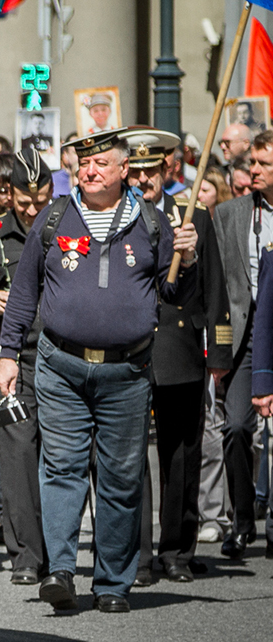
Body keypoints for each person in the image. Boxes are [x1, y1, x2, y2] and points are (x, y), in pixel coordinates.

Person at [0, 128, 199, 612]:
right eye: (82, 164)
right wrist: (8, 354)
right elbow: (24, 292)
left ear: (124, 170)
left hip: (127, 373)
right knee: (61, 467)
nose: (88, 172)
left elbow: (174, 296)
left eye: (101, 164)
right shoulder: (54, 217)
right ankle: (62, 570)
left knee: (121, 477)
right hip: (60, 366)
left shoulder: (152, 223)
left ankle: (112, 582)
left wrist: (186, 260)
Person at [123, 129, 231, 584]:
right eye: (138, 171)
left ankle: (176, 550)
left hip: (180, 346)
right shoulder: (116, 219)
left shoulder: (193, 218)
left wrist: (219, 352)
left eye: (153, 170)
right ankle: (138, 556)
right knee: (129, 459)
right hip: (129, 346)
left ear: (168, 169)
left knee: (182, 453)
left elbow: (215, 288)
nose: (145, 179)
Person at [0, 147, 54, 585]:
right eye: (24, 201)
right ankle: (25, 555)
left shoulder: (63, 227)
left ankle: (56, 549)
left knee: (59, 456)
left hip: (59, 355)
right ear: (9, 194)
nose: (32, 209)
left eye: (40, 199)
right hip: (12, 357)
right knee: (17, 454)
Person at [209, 128, 273, 558]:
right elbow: (217, 289)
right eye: (252, 163)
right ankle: (243, 517)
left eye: (263, 164)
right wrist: (219, 351)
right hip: (244, 338)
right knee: (234, 427)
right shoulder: (230, 214)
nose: (252, 171)